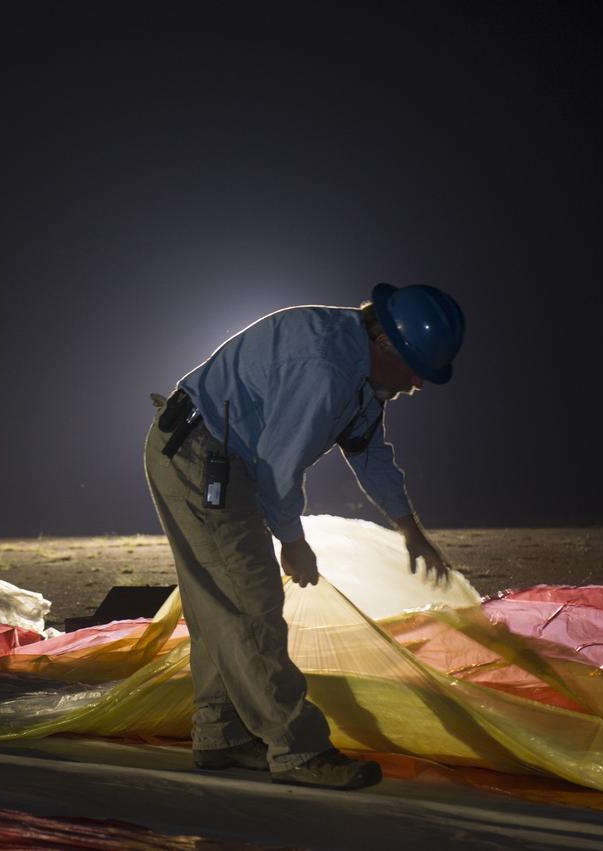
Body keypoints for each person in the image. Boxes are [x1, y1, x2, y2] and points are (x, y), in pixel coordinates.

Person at [144, 282, 465, 790]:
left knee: (221, 604)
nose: (417, 385)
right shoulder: (326, 367)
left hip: (225, 457)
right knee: (251, 602)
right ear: (386, 344)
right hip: (199, 457)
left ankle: (220, 734)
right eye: (416, 369)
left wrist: (410, 529)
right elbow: (278, 464)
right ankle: (299, 750)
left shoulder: (359, 369)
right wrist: (293, 541)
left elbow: (368, 449)